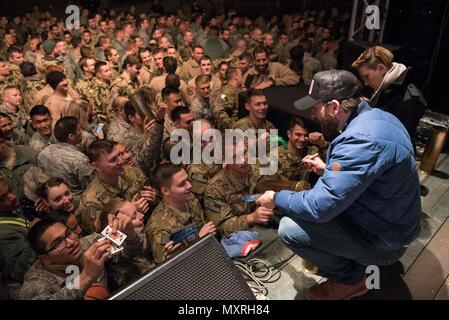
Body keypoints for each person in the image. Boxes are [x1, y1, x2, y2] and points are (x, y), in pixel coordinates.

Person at [255, 70, 421, 300]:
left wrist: (275, 197)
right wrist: (328, 170)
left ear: (334, 107)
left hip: (384, 241)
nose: (312, 113)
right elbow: (371, 176)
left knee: (290, 229)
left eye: (316, 106)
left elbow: (318, 208)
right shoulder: (379, 118)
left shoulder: (360, 139)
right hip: (388, 225)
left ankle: (351, 280)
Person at [18, 213, 142, 300]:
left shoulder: (88, 243)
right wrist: (86, 276)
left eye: (68, 234)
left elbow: (134, 250)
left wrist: (130, 234)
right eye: (58, 243)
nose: (71, 243)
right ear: (45, 258)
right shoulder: (36, 284)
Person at [76, 139, 154, 234]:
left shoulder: (131, 171)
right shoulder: (91, 202)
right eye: (113, 160)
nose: (121, 161)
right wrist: (131, 213)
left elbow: (152, 196)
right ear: (96, 167)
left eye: (119, 155)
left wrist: (154, 199)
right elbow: (103, 237)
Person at [351, 45, 426, 142]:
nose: (365, 83)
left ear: (381, 68)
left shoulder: (407, 98)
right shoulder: (386, 90)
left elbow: (400, 140)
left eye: (366, 76)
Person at [145, 163, 216, 263]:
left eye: (187, 180)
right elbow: (167, 268)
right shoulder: (159, 227)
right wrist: (199, 240)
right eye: (182, 184)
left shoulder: (190, 199)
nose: (190, 185)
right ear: (165, 191)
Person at [204, 141, 274, 236]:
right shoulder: (215, 189)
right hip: (243, 237)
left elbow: (280, 186)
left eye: (245, 152)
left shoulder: (261, 165)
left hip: (272, 221)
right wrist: (251, 218)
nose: (243, 160)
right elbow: (221, 228)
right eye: (235, 157)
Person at [38, 117, 93, 203]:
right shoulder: (80, 160)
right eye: (79, 130)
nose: (82, 132)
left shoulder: (44, 153)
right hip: (76, 203)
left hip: (55, 202)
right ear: (71, 136)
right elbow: (91, 188)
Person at [0, 178, 36, 300]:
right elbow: (20, 272)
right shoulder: (3, 235)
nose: (12, 196)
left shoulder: (9, 210)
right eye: (2, 198)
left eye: (10, 190)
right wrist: (35, 233)